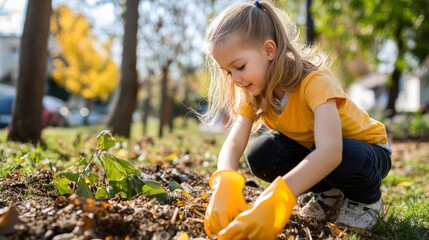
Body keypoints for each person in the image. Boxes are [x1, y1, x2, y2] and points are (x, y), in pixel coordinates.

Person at [200, 0, 392, 239]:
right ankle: (329, 191)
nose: (235, 78)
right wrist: (224, 182)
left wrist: (281, 195)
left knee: (344, 156)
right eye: (228, 71)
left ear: (269, 50)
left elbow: (331, 151)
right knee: (261, 153)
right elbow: (234, 142)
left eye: (239, 66)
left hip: (367, 153)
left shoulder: (315, 83)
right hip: (318, 151)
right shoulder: (254, 91)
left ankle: (366, 199)